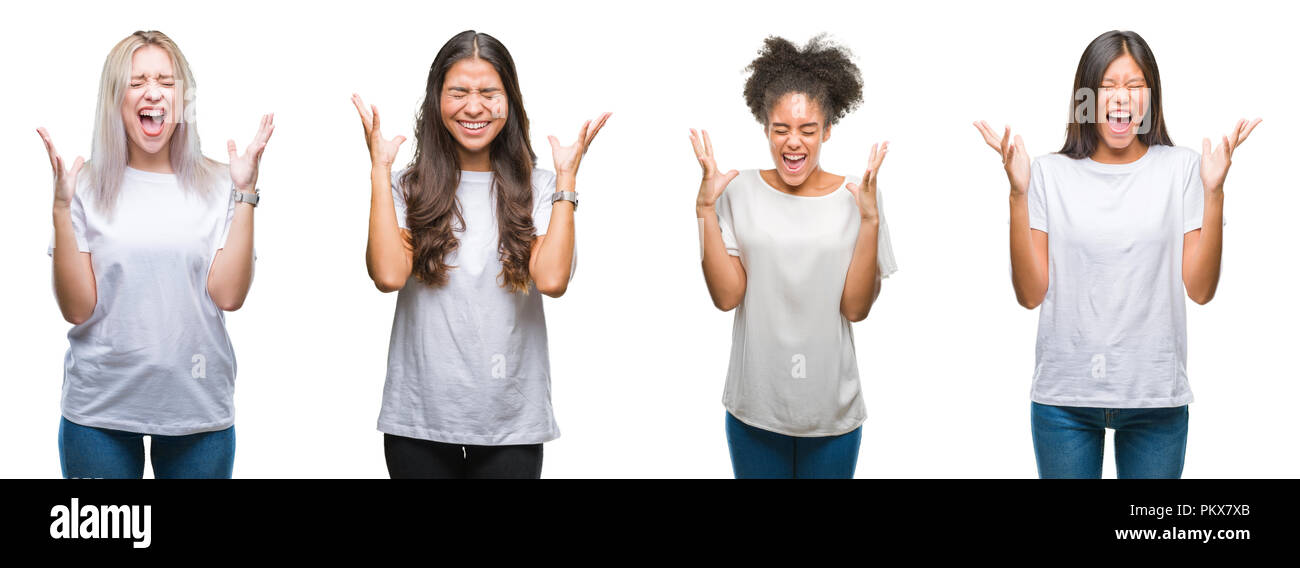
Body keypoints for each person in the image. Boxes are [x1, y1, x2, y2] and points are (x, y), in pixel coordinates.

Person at [974, 29, 1260, 478]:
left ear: (1151, 98)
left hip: (1155, 401)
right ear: (1085, 97)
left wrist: (1215, 192)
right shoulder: (1047, 173)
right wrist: (1017, 193)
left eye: (1134, 86)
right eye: (1107, 86)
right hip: (1064, 402)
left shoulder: (1183, 169)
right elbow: (1030, 295)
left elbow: (1200, 290)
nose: (1120, 98)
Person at [354, 30, 609, 479]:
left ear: (509, 101)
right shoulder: (406, 187)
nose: (474, 107)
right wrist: (378, 170)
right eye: (459, 92)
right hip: (419, 418)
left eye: (489, 92)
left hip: (511, 422)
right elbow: (388, 275)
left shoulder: (543, 187)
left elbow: (552, 281)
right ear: (437, 100)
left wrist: (567, 179)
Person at [41, 30, 273, 479]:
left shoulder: (222, 182)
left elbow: (228, 295)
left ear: (182, 98)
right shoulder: (82, 185)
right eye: (137, 81)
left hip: (197, 406)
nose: (153, 92)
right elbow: (76, 308)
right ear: (115, 99)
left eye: (166, 82)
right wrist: (60, 209)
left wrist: (245, 194)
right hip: (98, 412)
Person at [693, 35, 898, 479]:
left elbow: (856, 309)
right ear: (765, 127)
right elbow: (727, 298)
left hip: (831, 412)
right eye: (781, 129)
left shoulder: (856, 196)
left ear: (827, 130)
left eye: (808, 130)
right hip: (755, 408)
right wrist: (705, 210)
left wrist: (870, 222)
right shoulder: (737, 190)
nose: (794, 143)